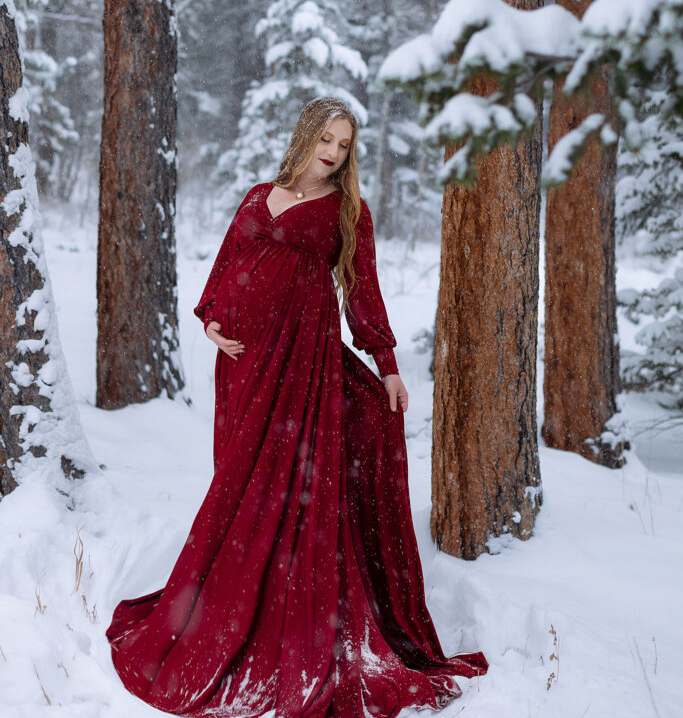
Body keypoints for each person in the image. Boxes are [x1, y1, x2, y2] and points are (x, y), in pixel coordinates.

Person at [106, 97, 487, 717]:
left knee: (279, 488)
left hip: (300, 364)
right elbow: (228, 263)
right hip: (242, 365)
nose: (334, 153)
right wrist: (210, 322)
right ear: (306, 136)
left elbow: (362, 287)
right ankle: (235, 600)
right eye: (326, 140)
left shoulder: (347, 211)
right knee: (240, 481)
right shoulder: (259, 194)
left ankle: (277, 611)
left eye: (344, 145)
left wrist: (386, 363)